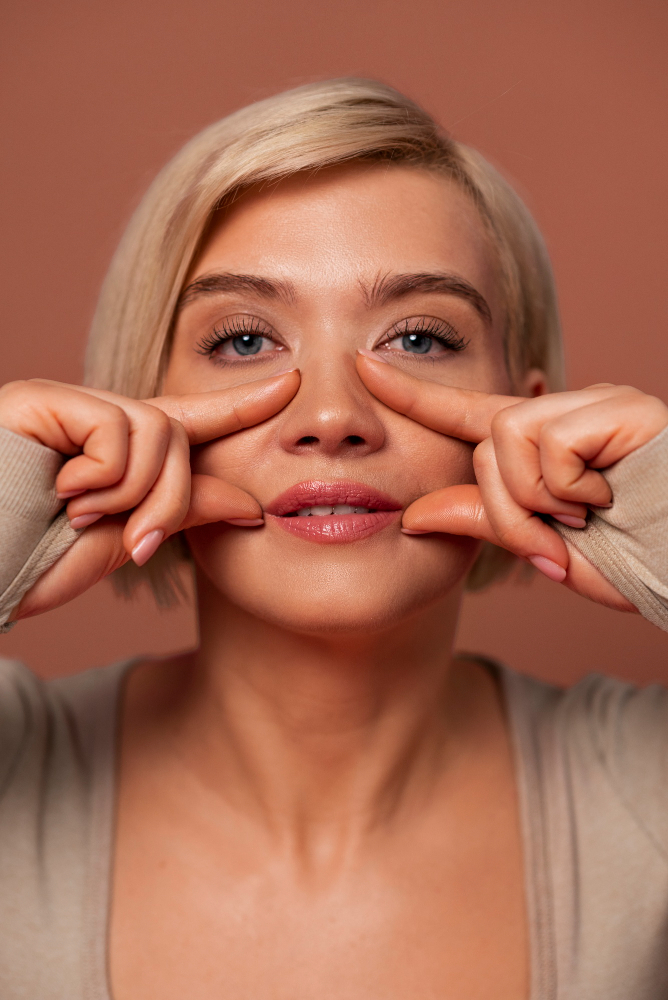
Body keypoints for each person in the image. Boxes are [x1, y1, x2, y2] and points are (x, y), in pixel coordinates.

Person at [0, 79, 666, 1000]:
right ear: (136, 404)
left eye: (421, 339)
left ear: (530, 416)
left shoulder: (647, 794)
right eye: (242, 341)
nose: (330, 416)